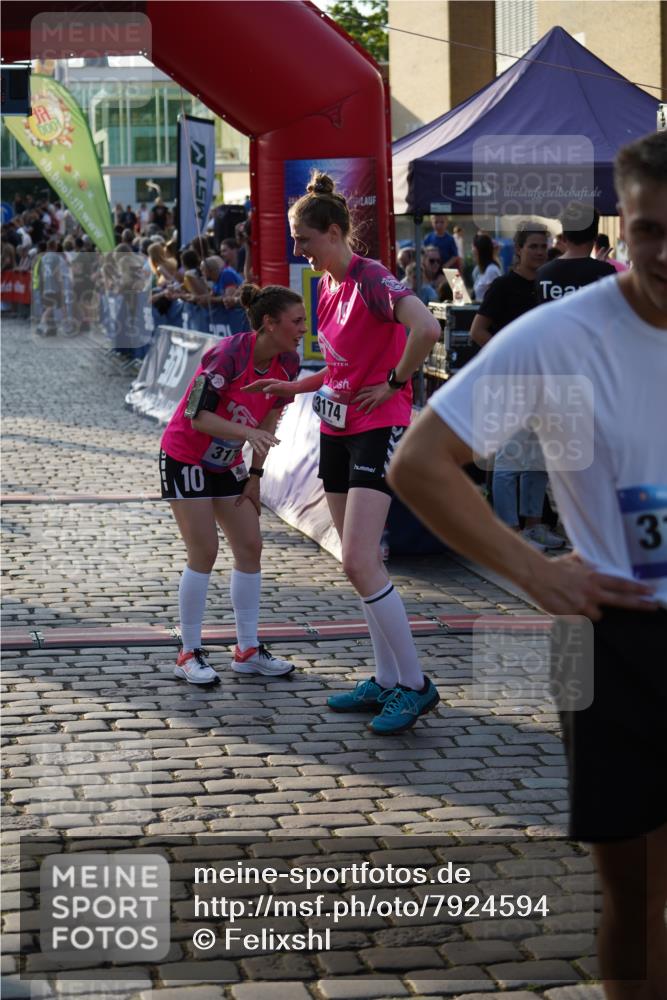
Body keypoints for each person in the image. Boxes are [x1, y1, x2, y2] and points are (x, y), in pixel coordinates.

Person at [387, 130, 667, 1000]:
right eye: (651, 230)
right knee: (639, 894)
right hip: (613, 638)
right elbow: (420, 463)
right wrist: (535, 573)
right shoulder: (560, 338)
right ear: (621, 225)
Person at [245, 171, 441, 735]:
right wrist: (294, 386)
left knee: (358, 559)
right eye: (294, 240)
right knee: (357, 560)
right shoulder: (327, 287)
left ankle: (415, 685)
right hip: (336, 427)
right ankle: (384, 678)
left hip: (377, 427)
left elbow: (426, 329)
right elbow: (338, 369)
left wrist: (396, 381)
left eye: (304, 240)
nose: (297, 250)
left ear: (333, 232)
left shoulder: (371, 278)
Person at [159, 283, 306, 684]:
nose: (303, 330)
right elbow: (197, 418)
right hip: (186, 454)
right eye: (296, 321)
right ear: (269, 323)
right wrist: (246, 434)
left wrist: (255, 475)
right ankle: (188, 652)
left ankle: (247, 650)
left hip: (227, 461)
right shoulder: (228, 355)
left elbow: (269, 421)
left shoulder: (288, 362)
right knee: (204, 550)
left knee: (250, 546)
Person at [470, 223, 563, 551]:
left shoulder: (549, 285)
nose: (539, 251)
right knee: (509, 461)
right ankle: (510, 532)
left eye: (543, 246)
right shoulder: (503, 286)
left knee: (538, 460)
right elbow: (477, 331)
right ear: (519, 250)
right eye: (533, 246)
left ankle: (534, 526)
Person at [537, 206, 615, 301]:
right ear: (595, 237)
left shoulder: (543, 273)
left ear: (564, 237)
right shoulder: (606, 273)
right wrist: (599, 267)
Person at [471, 233, 502, 301]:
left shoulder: (491, 270)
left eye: (474, 249)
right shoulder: (482, 270)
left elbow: (495, 298)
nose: (472, 252)